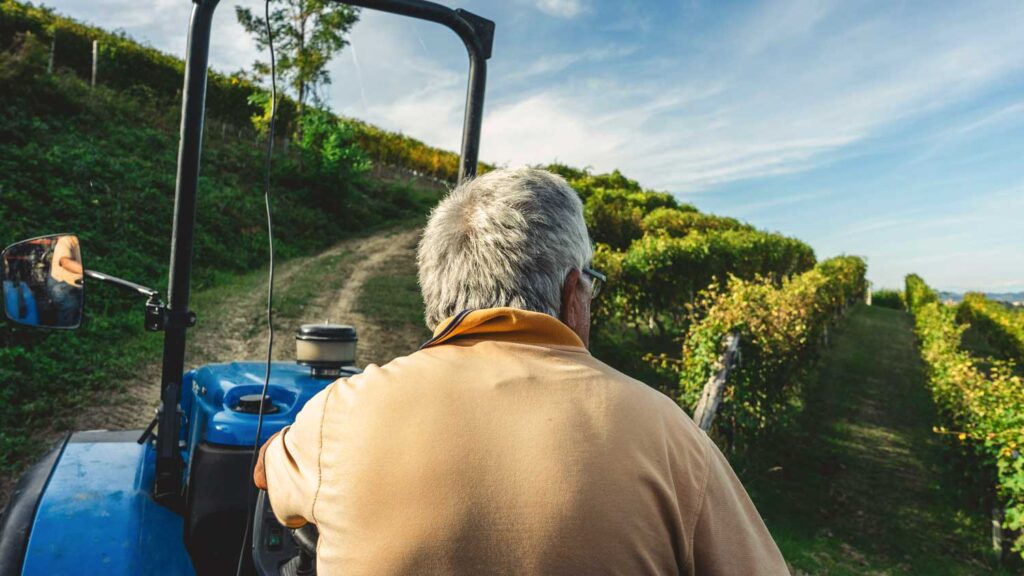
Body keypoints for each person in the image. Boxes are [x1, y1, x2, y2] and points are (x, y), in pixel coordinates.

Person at [255, 168, 789, 575]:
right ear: (571, 290)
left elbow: (266, 473)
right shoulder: (672, 438)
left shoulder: (338, 415)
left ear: (436, 295)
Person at [46, 234, 83, 326]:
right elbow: (65, 262)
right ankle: (64, 332)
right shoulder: (66, 240)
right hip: (60, 283)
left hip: (77, 284)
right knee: (70, 305)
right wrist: (84, 271)